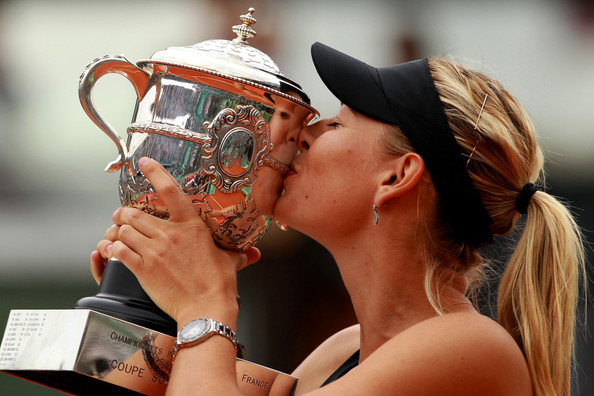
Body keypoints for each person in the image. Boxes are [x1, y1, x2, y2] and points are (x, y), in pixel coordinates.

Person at [90, 42, 586, 396]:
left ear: (398, 176)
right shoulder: (343, 350)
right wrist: (150, 305)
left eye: (337, 121)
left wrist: (205, 305)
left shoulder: (468, 349)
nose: (303, 134)